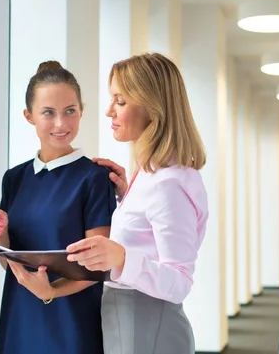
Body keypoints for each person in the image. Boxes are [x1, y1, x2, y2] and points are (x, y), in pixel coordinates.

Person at [66, 52, 209, 354]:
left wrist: (119, 258)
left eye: (120, 101)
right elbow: (149, 236)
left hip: (148, 325)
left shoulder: (167, 183)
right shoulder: (148, 174)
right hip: (130, 320)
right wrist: (124, 196)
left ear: (151, 108)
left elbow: (179, 282)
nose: (109, 111)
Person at [0, 61, 116, 354]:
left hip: (70, 318)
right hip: (20, 312)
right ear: (29, 116)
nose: (60, 124)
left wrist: (51, 292)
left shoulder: (95, 178)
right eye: (48, 113)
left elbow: (99, 266)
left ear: (81, 111)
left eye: (70, 111)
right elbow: (8, 262)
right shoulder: (14, 178)